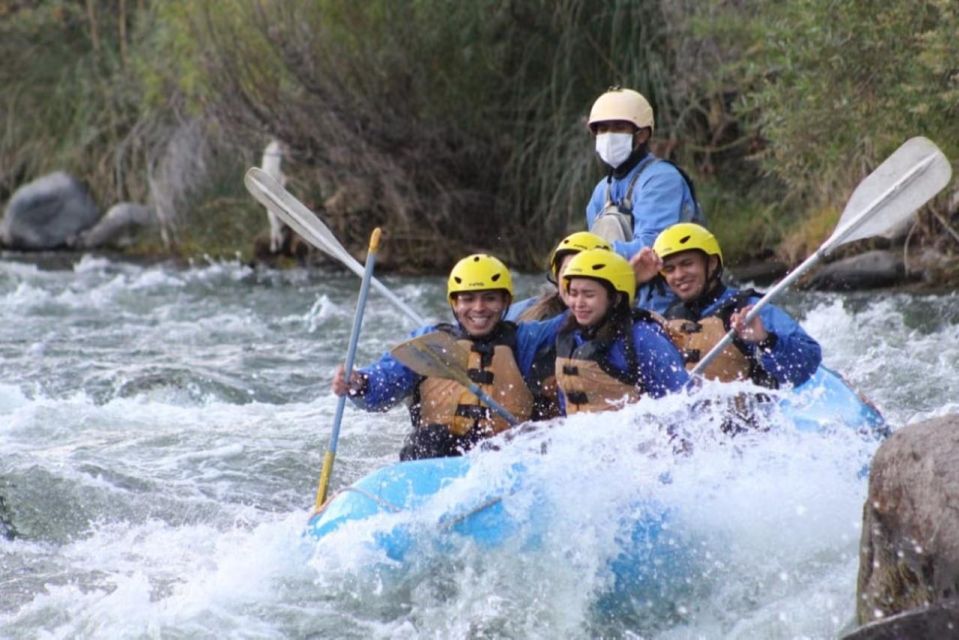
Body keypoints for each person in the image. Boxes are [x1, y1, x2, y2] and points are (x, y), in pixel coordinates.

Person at [332, 254, 566, 460]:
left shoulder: (526, 339)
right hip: (436, 459)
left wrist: (580, 285)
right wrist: (359, 384)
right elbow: (383, 384)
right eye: (468, 299)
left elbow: (573, 322)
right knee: (431, 439)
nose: (479, 308)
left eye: (490, 298)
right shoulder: (430, 341)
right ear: (454, 303)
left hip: (501, 460)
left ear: (506, 302)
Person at [631, 223, 822, 388]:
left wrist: (765, 340)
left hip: (749, 422)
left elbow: (809, 362)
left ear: (712, 263)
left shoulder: (750, 308)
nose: (678, 275)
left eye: (687, 264)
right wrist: (631, 282)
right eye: (669, 269)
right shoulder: (669, 316)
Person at [585, 86, 705, 312]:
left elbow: (651, 249)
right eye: (602, 129)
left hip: (671, 304)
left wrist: (589, 255)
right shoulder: (601, 191)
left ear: (642, 134)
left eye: (619, 128)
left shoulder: (661, 179)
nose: (609, 136)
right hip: (623, 301)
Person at [555, 248, 689, 414]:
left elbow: (680, 399)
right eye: (573, 294)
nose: (578, 303)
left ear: (616, 298)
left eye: (588, 295)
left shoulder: (643, 338)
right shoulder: (570, 336)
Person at [508, 231, 612, 323]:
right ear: (557, 277)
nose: (575, 283)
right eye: (567, 271)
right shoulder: (540, 320)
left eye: (584, 274)